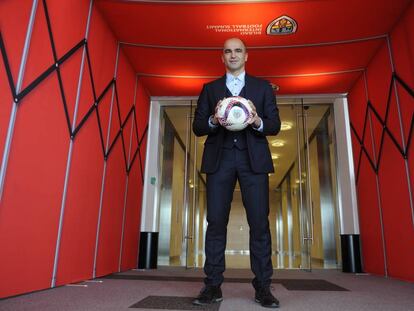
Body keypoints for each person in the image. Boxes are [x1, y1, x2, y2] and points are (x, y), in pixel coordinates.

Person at [192, 38, 281, 308]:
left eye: (238, 51)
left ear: (246, 56)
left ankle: (263, 287)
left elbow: (274, 125)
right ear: (222, 57)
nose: (233, 55)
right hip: (219, 160)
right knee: (216, 223)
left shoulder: (263, 88)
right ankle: (213, 285)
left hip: (253, 160)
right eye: (228, 51)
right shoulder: (210, 89)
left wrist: (257, 121)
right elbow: (198, 126)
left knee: (259, 224)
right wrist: (212, 119)